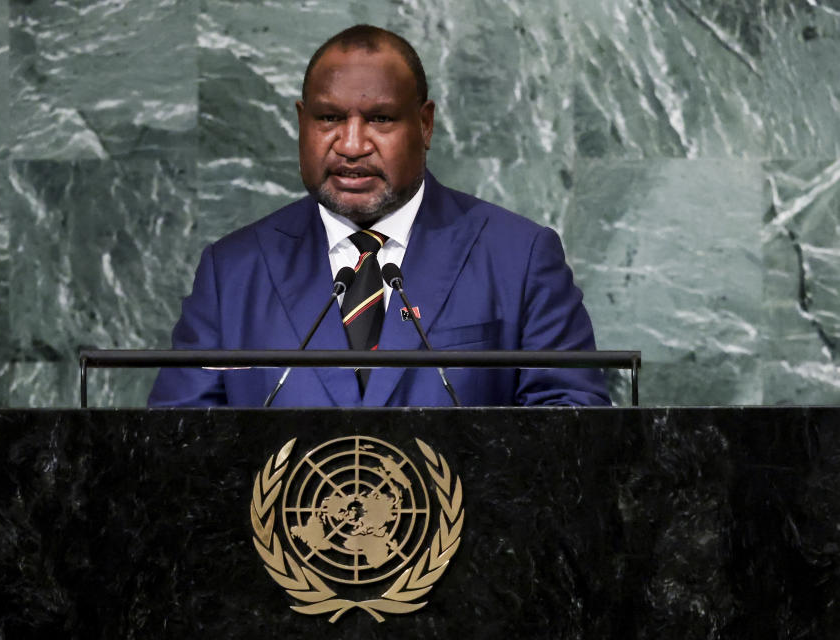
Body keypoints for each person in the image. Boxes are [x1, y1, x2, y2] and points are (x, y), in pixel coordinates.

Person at [148, 25, 610, 408]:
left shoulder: (519, 257)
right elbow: (180, 446)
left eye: (381, 119)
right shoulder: (231, 271)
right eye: (328, 118)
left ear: (424, 125)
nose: (351, 145)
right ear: (301, 123)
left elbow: (570, 431)